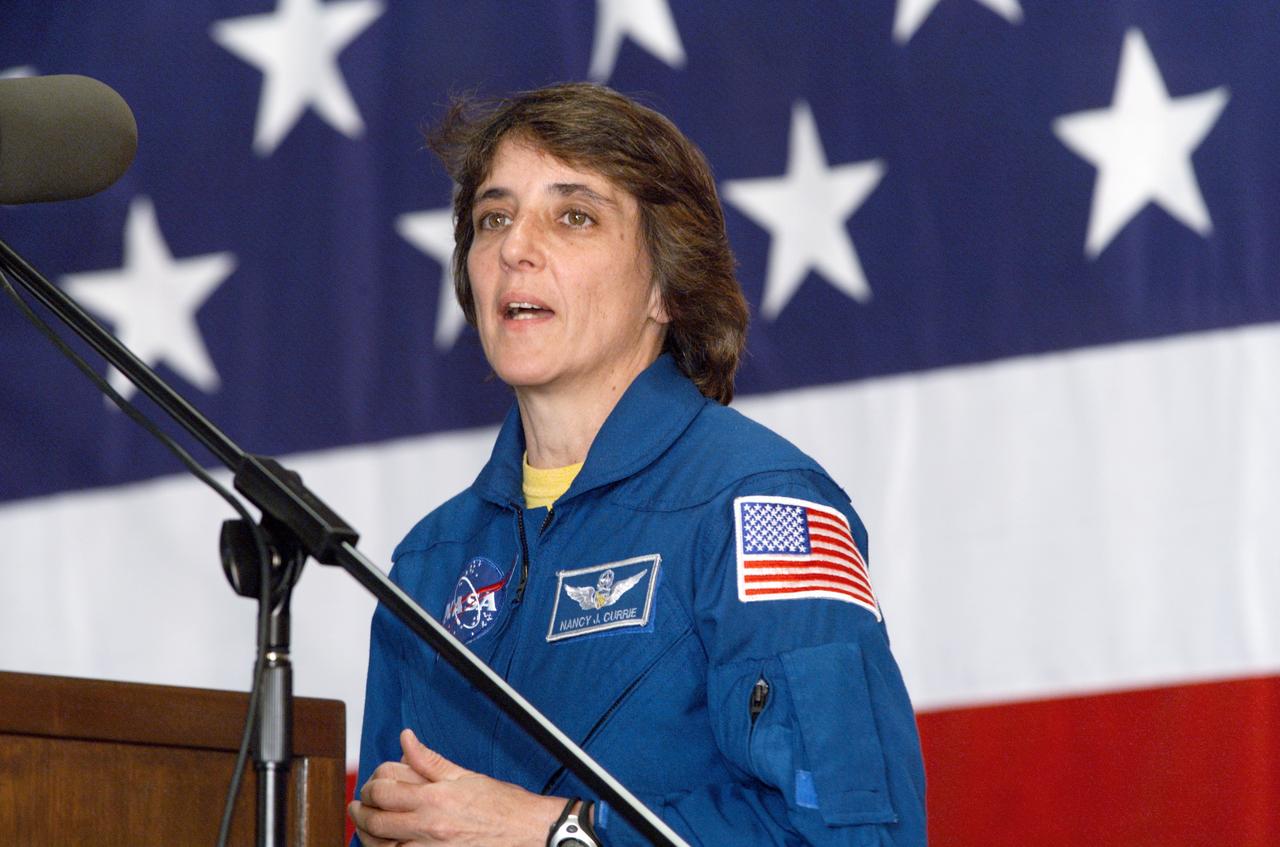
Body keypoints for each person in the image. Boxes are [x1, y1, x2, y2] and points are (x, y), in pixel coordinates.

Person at [349, 82, 926, 846]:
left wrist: (557, 833)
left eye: (574, 216)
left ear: (665, 287)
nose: (515, 247)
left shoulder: (759, 506)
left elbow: (860, 837)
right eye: (494, 218)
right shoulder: (430, 562)